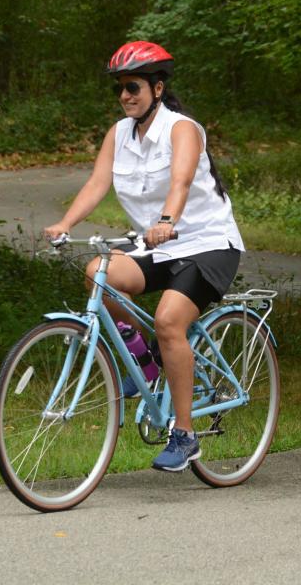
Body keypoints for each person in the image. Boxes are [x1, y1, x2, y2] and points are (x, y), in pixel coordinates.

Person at [44, 41, 245, 472]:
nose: (125, 96)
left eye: (133, 87)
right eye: (119, 89)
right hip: (155, 244)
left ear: (157, 88)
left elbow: (182, 181)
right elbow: (98, 184)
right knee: (99, 272)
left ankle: (185, 435)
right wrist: (65, 224)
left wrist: (168, 219)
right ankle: (148, 361)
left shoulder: (182, 129)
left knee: (170, 320)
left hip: (207, 244)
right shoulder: (119, 134)